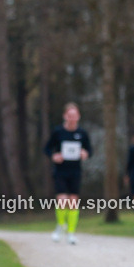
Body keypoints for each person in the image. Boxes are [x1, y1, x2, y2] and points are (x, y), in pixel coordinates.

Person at [43, 103, 91, 245]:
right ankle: (60, 226)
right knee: (62, 200)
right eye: (69, 116)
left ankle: (71, 233)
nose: (72, 119)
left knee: (73, 202)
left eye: (74, 116)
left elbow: (89, 150)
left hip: (75, 171)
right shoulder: (58, 132)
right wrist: (54, 156)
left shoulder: (82, 133)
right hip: (60, 171)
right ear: (65, 116)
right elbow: (47, 148)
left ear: (78, 117)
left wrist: (85, 153)